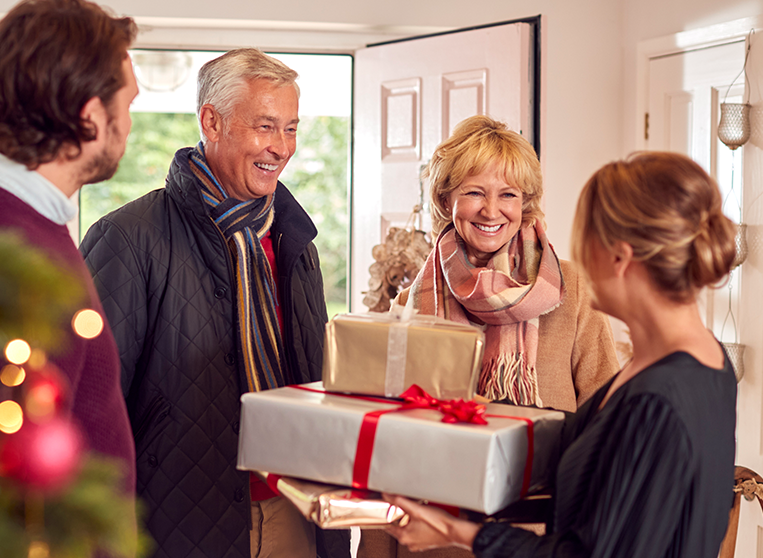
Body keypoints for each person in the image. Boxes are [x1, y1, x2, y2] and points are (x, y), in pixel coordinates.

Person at [384, 150, 738, 558]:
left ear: (619, 258)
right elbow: (581, 441)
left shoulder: (655, 401)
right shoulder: (704, 359)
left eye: (585, 242)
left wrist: (460, 533)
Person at [79, 48, 350, 558]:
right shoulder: (127, 238)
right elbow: (90, 410)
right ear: (211, 121)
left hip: (297, 508)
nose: (281, 147)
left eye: (291, 128)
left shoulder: (297, 242)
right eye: (265, 126)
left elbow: (317, 382)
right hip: (179, 523)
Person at [359, 115, 620, 558]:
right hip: (436, 529)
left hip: (540, 530)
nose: (491, 210)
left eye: (508, 195)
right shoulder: (412, 301)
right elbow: (387, 443)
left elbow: (607, 417)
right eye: (474, 192)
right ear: (446, 199)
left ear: (526, 203)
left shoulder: (571, 289)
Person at [0, 0, 138, 503]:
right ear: (90, 117)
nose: (129, 124)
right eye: (128, 105)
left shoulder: (8, 214)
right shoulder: (4, 255)